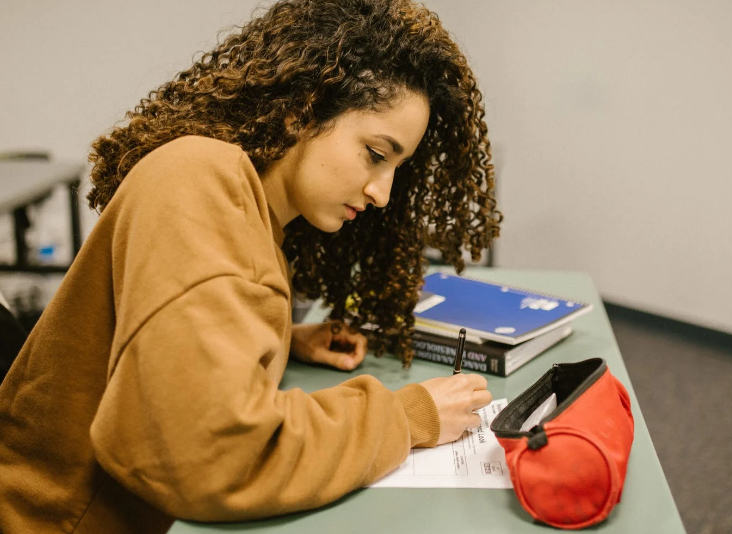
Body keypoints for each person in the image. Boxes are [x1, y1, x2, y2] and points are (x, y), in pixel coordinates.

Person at [0, 0, 503, 533]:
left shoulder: (252, 208)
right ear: (301, 110)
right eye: (376, 155)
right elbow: (204, 453)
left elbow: (180, 333)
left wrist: (280, 337)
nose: (382, 194)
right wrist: (406, 417)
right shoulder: (195, 180)